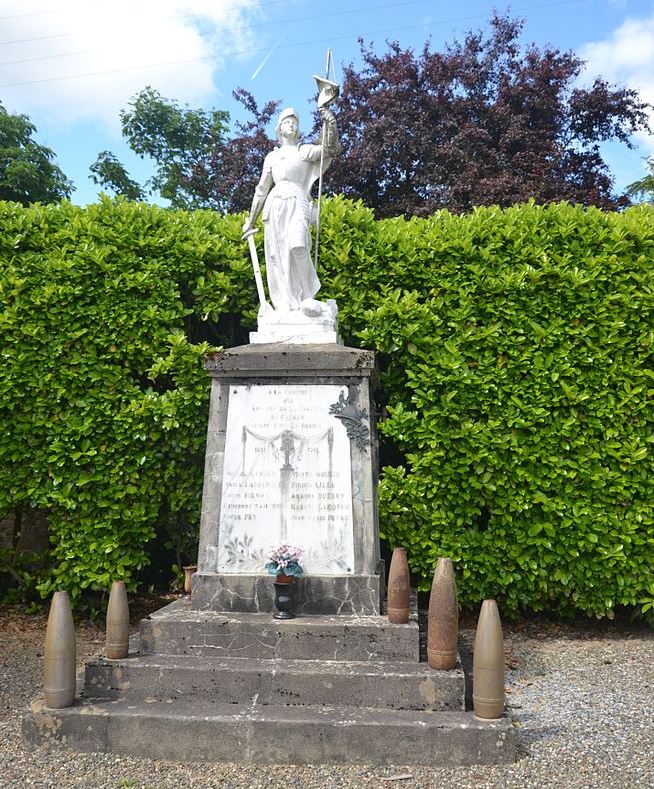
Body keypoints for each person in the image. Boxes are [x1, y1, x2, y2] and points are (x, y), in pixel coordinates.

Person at [241, 106, 339, 315]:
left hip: (297, 201)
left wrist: (330, 122)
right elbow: (261, 190)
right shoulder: (272, 158)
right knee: (277, 256)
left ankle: (307, 297)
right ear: (279, 128)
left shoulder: (304, 151)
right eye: (287, 121)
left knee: (298, 245)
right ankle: (285, 304)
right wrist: (251, 220)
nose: (291, 124)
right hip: (275, 206)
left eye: (294, 121)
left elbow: (329, 150)